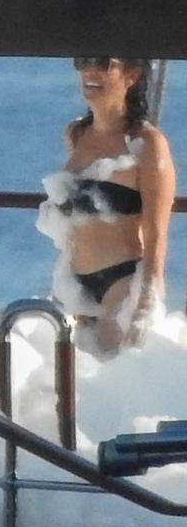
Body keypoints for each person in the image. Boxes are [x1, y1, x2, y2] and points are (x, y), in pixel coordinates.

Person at [37, 57, 173, 356]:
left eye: (103, 63)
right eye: (83, 61)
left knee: (113, 373)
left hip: (120, 283)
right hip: (72, 283)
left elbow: (156, 231)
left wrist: (145, 303)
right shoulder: (76, 134)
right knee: (62, 371)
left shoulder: (147, 143)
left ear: (132, 75)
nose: (90, 70)